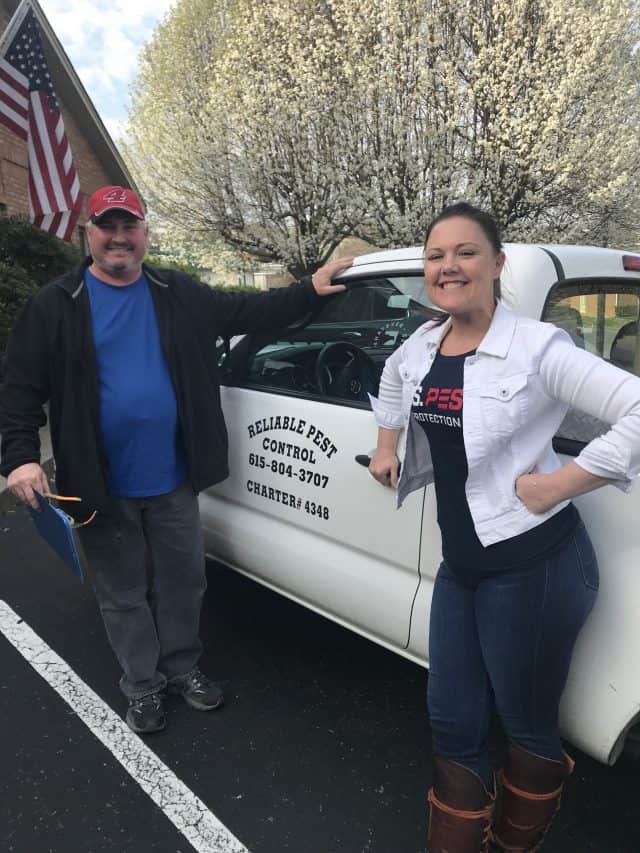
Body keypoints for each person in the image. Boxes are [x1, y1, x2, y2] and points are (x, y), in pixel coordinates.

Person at [0, 185, 350, 735]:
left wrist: (312, 288)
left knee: (185, 583)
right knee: (122, 594)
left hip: (172, 478)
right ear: (87, 234)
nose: (119, 237)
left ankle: (183, 667)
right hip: (100, 482)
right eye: (106, 226)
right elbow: (17, 387)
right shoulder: (56, 304)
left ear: (144, 233)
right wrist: (20, 458)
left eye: (129, 225)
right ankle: (142, 685)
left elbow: (255, 310)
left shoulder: (177, 292)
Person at [368, 203, 640, 852]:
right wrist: (387, 443)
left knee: (525, 722)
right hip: (463, 567)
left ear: (497, 264)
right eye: (436, 256)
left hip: (535, 567)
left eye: (465, 252)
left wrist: (555, 485)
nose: (449, 266)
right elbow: (392, 380)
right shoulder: (424, 343)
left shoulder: (537, 346)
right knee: (451, 717)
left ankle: (515, 843)